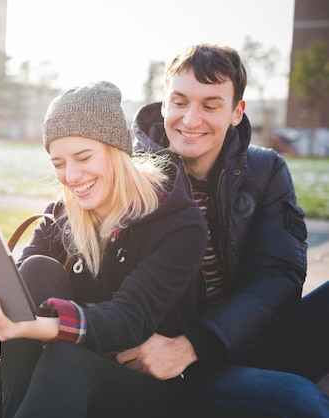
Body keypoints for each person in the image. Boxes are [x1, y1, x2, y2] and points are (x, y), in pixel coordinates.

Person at [0, 80, 209, 417]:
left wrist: (29, 326)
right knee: (36, 269)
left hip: (151, 390)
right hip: (56, 386)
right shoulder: (61, 217)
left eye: (83, 157)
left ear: (117, 150)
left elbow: (126, 320)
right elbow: (13, 300)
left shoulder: (179, 223)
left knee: (68, 359)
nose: (72, 175)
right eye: (59, 163)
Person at [120, 43, 329, 417]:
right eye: (180, 102)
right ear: (164, 103)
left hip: (246, 339)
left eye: (210, 105)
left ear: (236, 112)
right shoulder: (131, 179)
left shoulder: (265, 171)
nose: (190, 118)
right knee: (303, 403)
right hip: (181, 369)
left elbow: (279, 275)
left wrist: (196, 343)